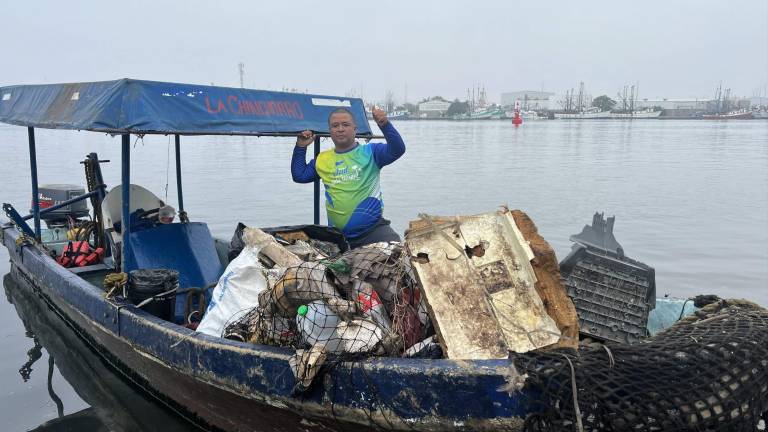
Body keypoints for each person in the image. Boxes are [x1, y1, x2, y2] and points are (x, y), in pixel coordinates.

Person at [291, 106, 405, 248]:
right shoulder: (323, 159)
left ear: (355, 128)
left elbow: (398, 149)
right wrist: (301, 146)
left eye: (345, 125)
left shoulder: (371, 152)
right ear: (330, 131)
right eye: (335, 125)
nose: (340, 129)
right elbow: (299, 175)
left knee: (395, 249)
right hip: (339, 236)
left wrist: (384, 125)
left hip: (373, 231)